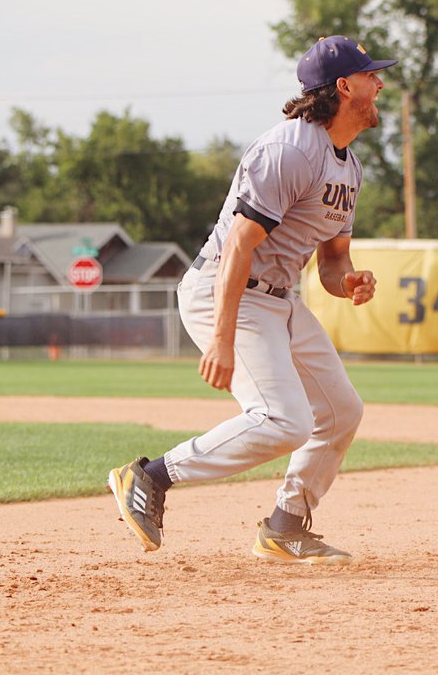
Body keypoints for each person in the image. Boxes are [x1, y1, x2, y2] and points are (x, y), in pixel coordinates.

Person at [108, 36, 395, 564]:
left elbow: (332, 261)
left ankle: (286, 526)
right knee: (283, 419)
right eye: (372, 76)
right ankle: (149, 477)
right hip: (227, 289)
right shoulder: (288, 149)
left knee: (340, 411)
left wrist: (349, 281)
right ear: (343, 86)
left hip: (279, 298)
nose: (380, 84)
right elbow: (240, 242)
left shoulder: (349, 167)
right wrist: (220, 338)